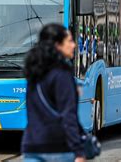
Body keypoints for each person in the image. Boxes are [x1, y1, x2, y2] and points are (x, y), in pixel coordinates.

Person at [22, 24, 86, 162]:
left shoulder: (33, 72)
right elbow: (68, 116)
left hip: (32, 146)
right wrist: (78, 151)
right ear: (58, 45)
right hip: (57, 148)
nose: (74, 45)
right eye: (69, 41)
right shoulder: (62, 74)